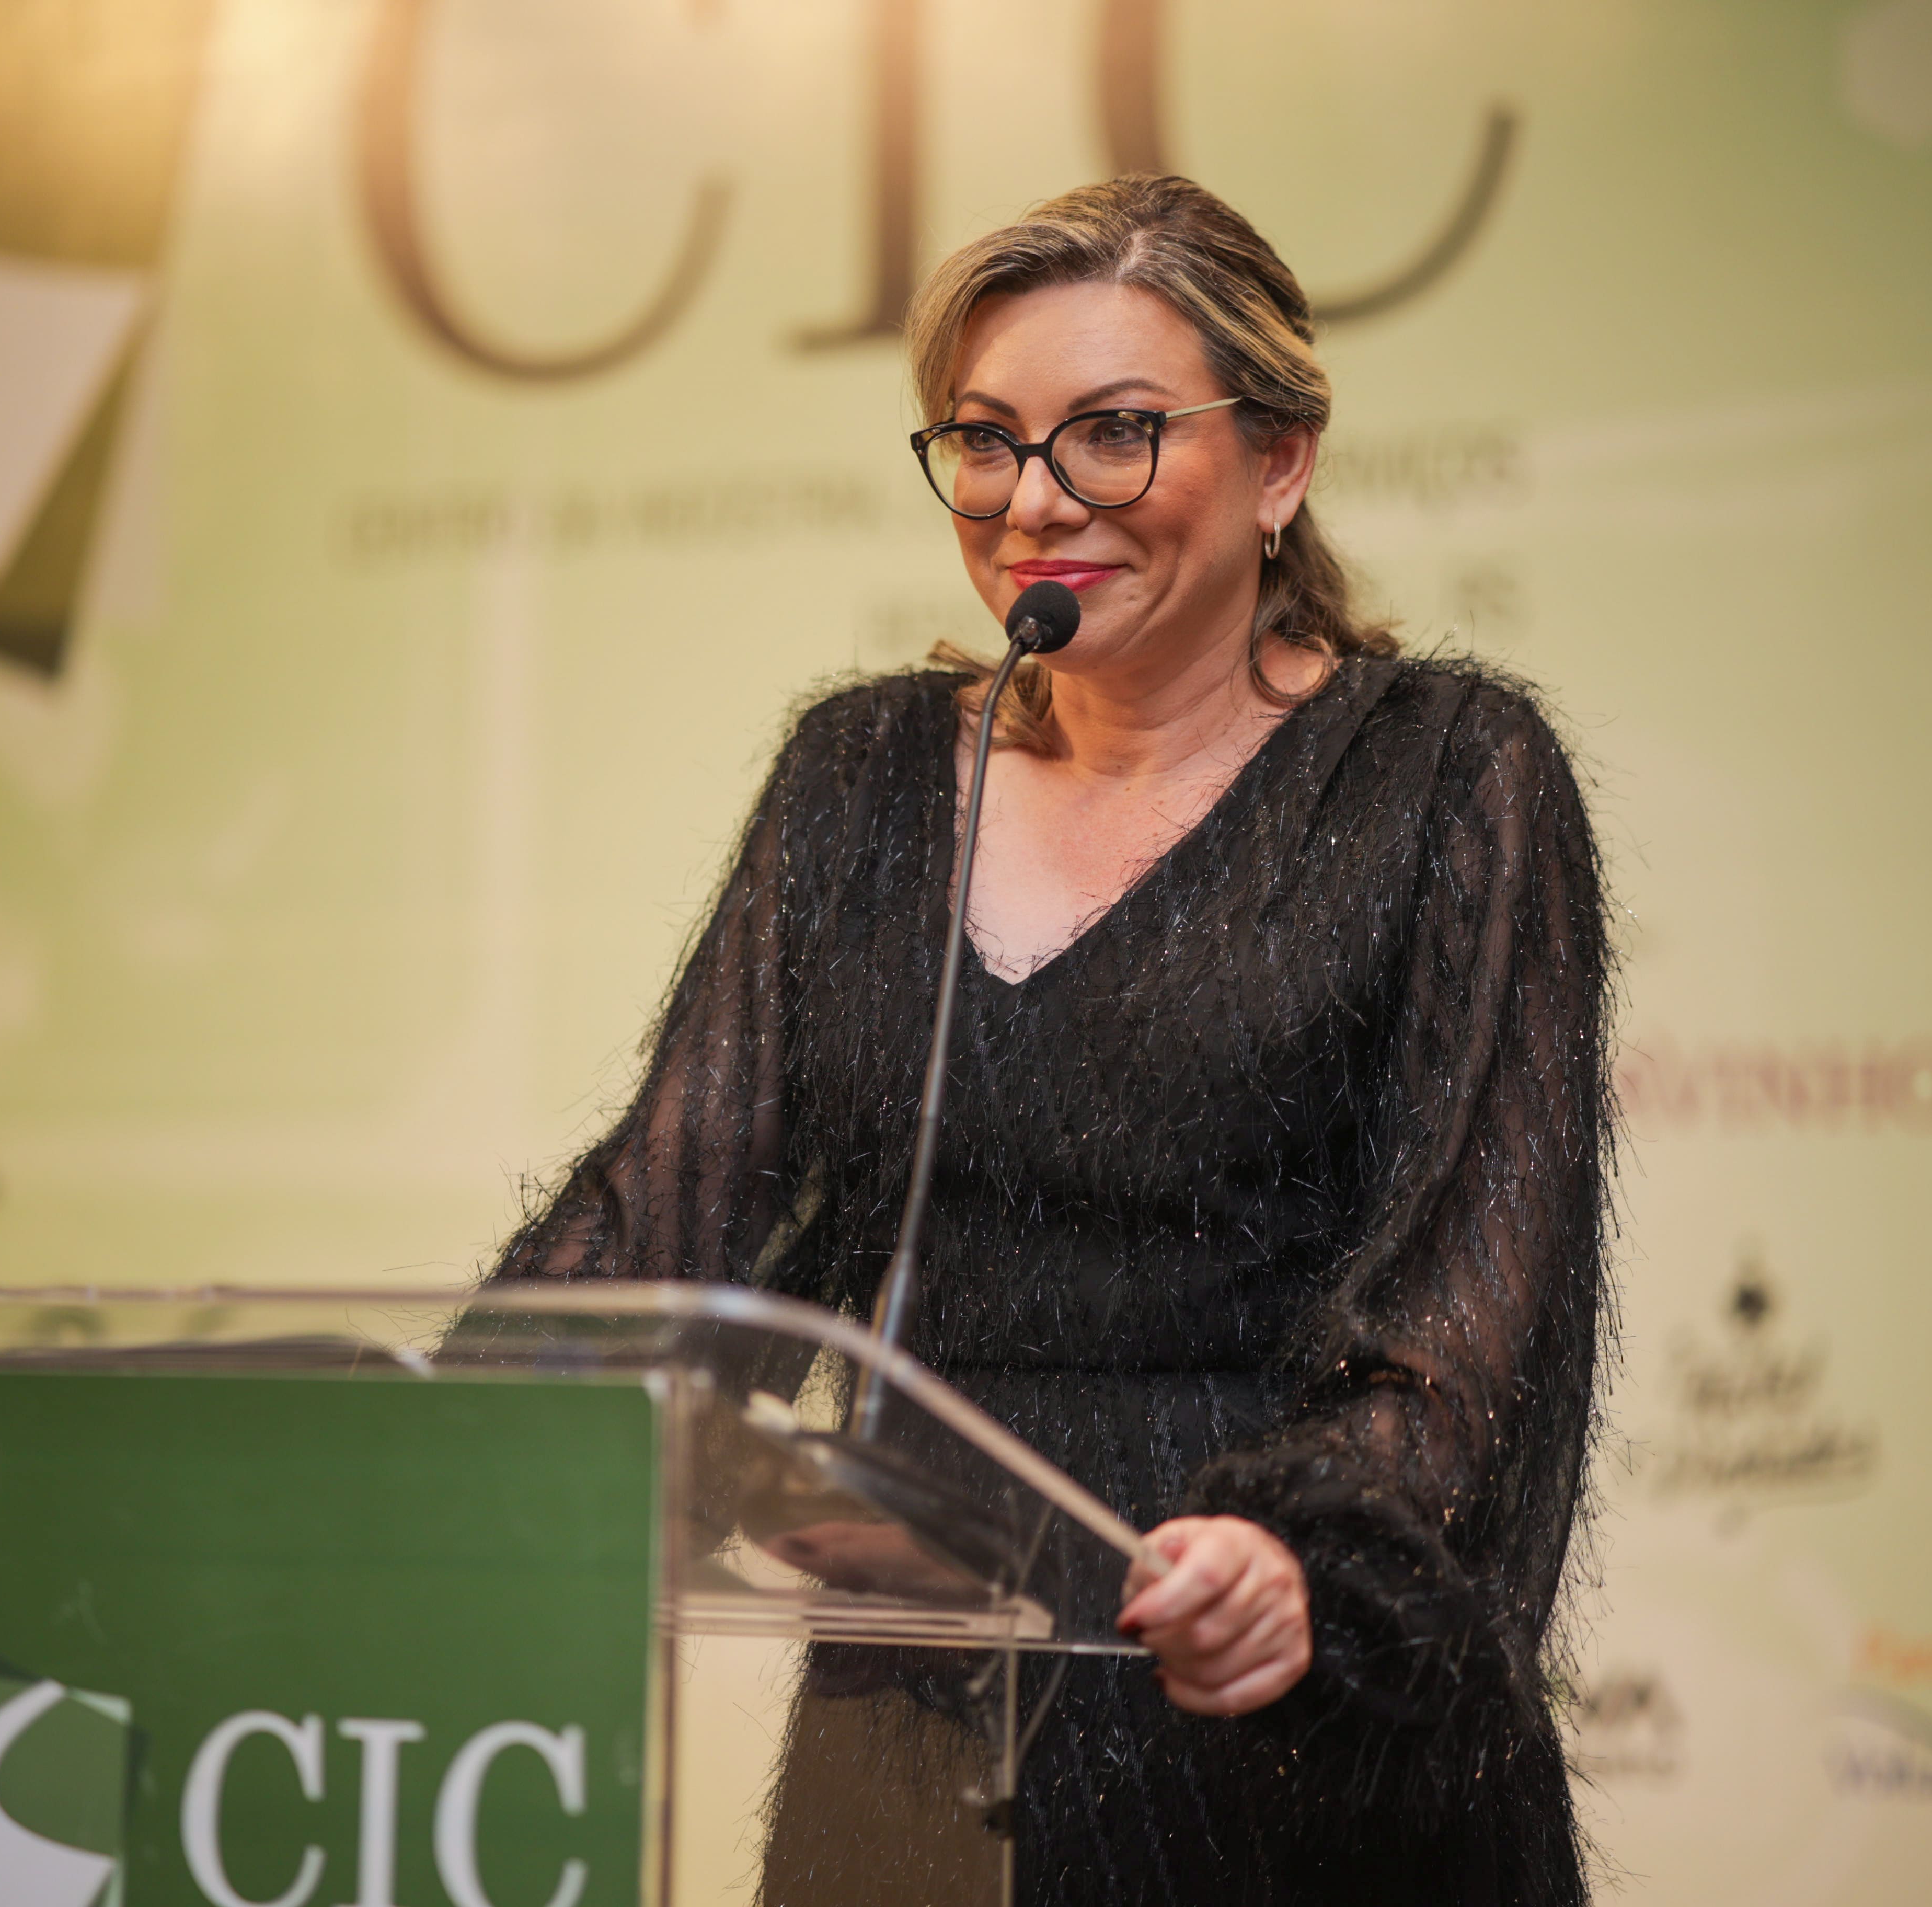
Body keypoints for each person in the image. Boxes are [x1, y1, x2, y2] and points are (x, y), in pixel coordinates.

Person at [494, 173, 1612, 1906]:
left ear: (1282, 460)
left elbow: (1474, 1328)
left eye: (1113, 434)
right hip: (917, 1726)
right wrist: (457, 1442)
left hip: (1277, 1719)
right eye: (988, 440)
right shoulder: (860, 778)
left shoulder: (1450, 778)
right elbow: (670, 1215)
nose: (1034, 500)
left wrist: (1302, 1562)